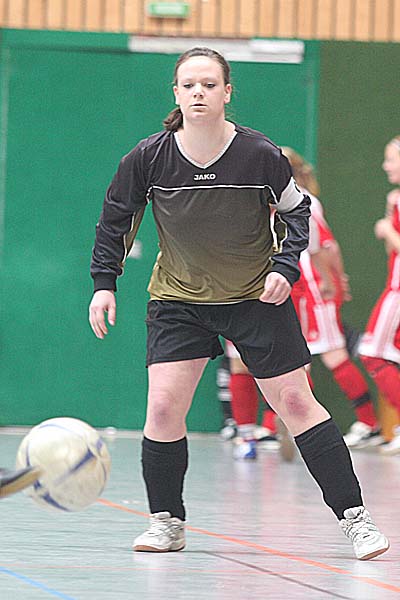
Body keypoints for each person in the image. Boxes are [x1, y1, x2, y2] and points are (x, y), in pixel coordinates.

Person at [89, 47, 389, 560]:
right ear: (176, 93)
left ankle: (355, 519)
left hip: (254, 298)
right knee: (162, 407)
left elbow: (298, 213)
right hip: (178, 300)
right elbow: (116, 217)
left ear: (227, 92)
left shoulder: (259, 154)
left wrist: (284, 268)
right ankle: (166, 521)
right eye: (189, 85)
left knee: (296, 403)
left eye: (209, 84)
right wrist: (104, 283)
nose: (198, 93)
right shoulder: (148, 158)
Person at [282, 147, 383, 450]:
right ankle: (289, 425)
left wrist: (335, 280)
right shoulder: (271, 201)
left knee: (333, 354)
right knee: (295, 359)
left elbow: (327, 247)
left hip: (315, 289)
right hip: (293, 288)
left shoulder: (305, 201)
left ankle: (369, 423)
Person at [358, 135, 400, 455]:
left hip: (397, 291)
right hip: (393, 283)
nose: (385, 166)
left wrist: (388, 230)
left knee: (372, 353)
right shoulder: (394, 199)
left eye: (390, 159)